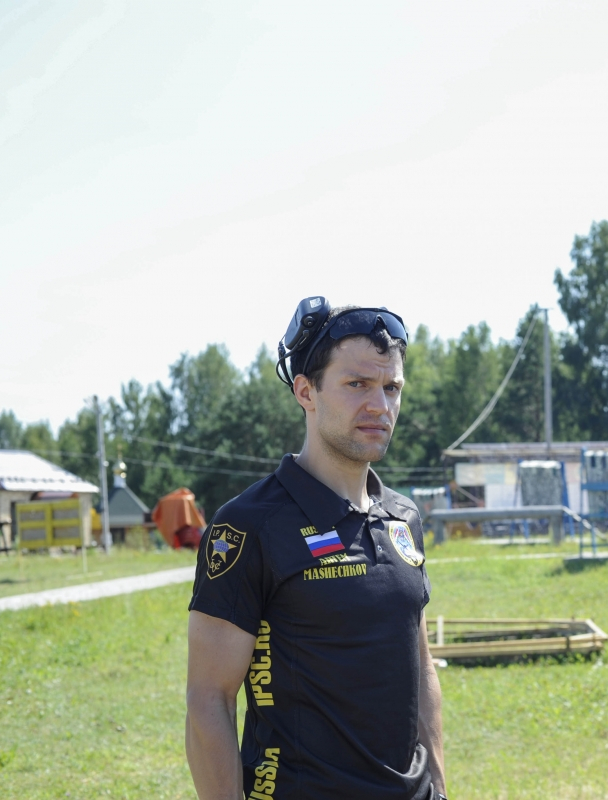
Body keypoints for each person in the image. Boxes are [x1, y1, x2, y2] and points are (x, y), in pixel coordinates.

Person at [185, 299, 445, 800]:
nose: (380, 405)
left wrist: (441, 787)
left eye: (391, 387)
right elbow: (208, 699)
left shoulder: (403, 517)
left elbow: (421, 669)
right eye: (357, 384)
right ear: (306, 391)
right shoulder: (247, 525)